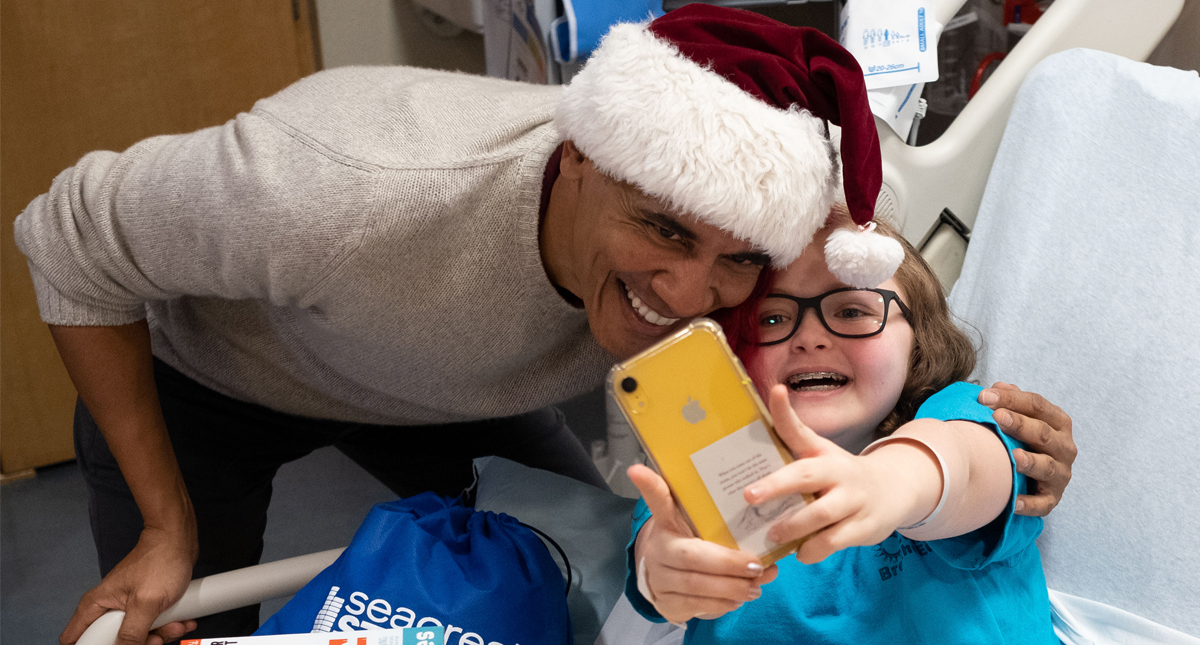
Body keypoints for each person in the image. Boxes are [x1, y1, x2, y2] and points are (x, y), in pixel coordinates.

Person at [13, 5, 1074, 645]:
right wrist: (166, 527)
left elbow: (953, 453)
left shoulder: (800, 372)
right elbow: (65, 233)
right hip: (209, 382)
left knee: (564, 544)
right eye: (660, 228)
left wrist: (948, 467)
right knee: (183, 613)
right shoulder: (333, 191)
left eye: (742, 269)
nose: (694, 293)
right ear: (574, 164)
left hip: (448, 387)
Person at [626, 210, 1057, 643]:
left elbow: (964, 464)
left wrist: (887, 481)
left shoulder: (959, 413)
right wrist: (666, 573)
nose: (809, 338)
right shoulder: (699, 466)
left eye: (851, 311)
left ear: (919, 338)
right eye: (770, 319)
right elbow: (659, 549)